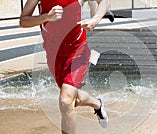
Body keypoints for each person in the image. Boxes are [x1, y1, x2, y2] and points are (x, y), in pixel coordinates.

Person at [19, 0, 109, 133]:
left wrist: (95, 20)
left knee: (66, 101)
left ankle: (96, 104)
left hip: (77, 52)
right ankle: (97, 103)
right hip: (54, 55)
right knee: (71, 99)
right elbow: (23, 21)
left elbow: (103, 2)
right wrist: (47, 17)